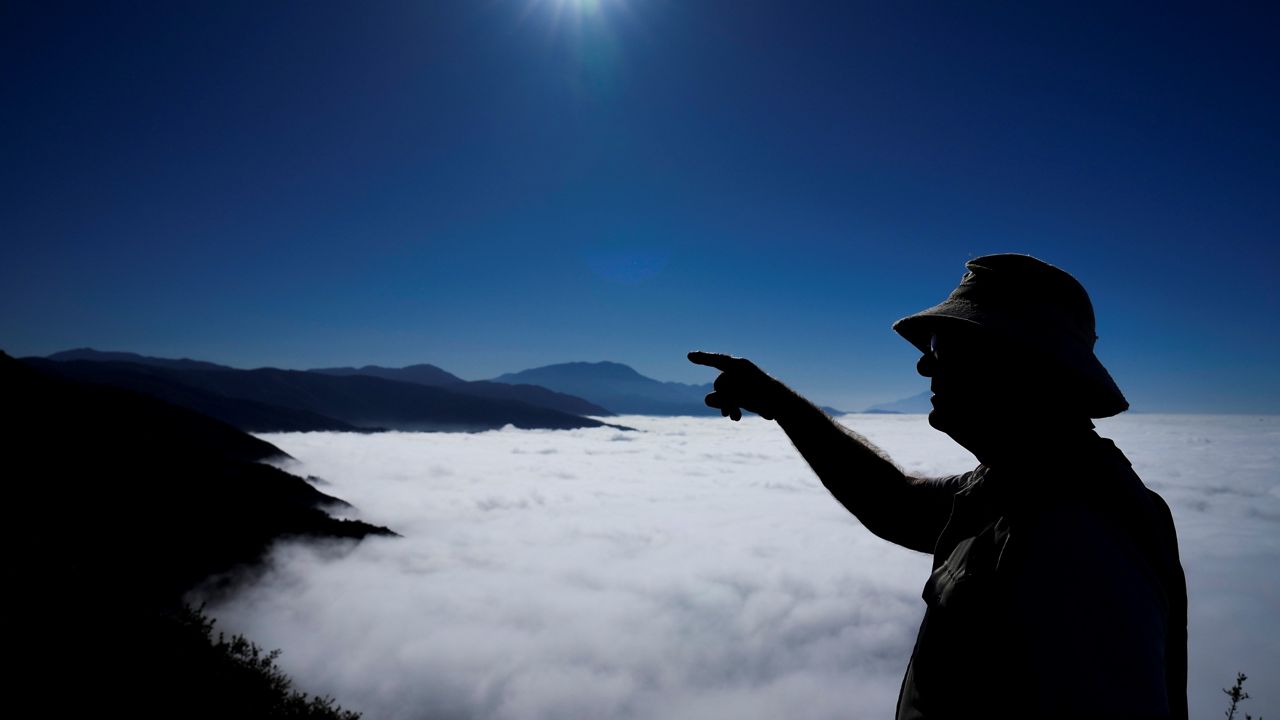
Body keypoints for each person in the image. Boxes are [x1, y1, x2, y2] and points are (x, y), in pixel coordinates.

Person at [689, 253, 1187, 720]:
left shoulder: (1075, 535)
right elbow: (894, 502)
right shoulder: (1019, 485)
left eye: (946, 346)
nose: (925, 365)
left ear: (1020, 363)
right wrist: (779, 402)